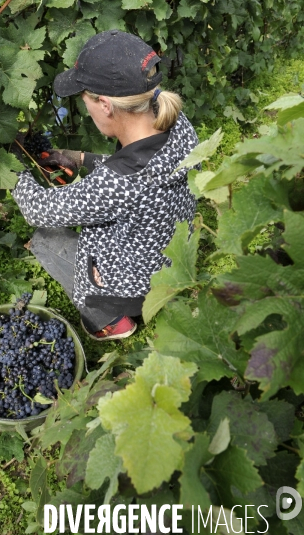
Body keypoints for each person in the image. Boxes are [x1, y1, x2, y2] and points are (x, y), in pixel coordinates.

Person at [11, 30, 199, 341]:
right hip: (168, 260)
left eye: (85, 100)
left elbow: (37, 209)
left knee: (45, 238)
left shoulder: (120, 182)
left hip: (133, 287)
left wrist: (13, 169)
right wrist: (81, 158)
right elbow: (134, 177)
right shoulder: (177, 123)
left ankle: (108, 317)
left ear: (105, 105)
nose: (86, 108)